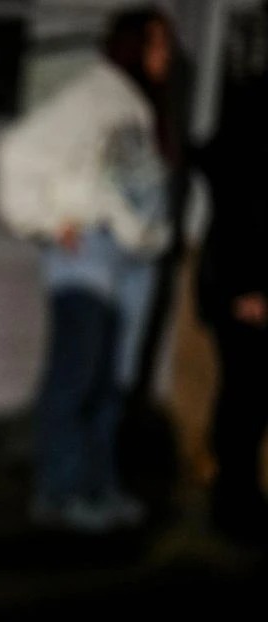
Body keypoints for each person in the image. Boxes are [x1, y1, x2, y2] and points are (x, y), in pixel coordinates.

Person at [0, 6, 176, 534]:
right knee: (78, 373)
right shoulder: (94, 96)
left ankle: (97, 488)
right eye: (157, 44)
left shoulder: (137, 102)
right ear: (133, 46)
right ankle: (60, 493)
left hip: (132, 255)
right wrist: (47, 221)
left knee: (112, 381)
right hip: (91, 251)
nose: (166, 57)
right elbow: (17, 150)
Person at [194, 1, 268, 549]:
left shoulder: (245, 106)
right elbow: (243, 204)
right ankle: (233, 502)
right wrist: (247, 286)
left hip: (238, 278)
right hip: (244, 283)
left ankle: (237, 496)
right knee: (246, 393)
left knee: (247, 393)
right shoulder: (253, 113)